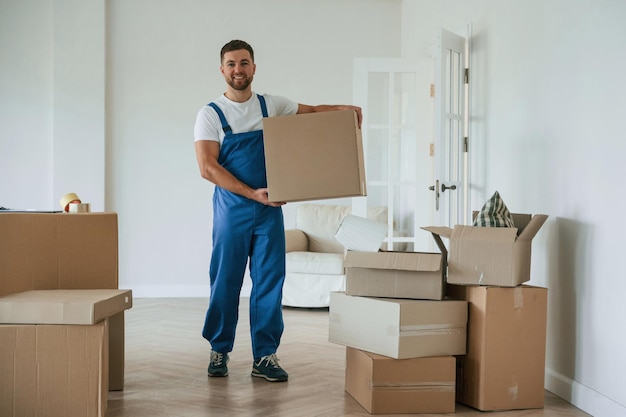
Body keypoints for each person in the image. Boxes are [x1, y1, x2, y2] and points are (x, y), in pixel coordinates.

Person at [193, 39, 362, 383]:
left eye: (244, 63)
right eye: (231, 64)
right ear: (222, 70)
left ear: (254, 67)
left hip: (270, 208)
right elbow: (208, 168)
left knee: (270, 282)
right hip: (233, 210)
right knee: (226, 281)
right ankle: (219, 350)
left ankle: (265, 356)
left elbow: (312, 113)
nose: (237, 69)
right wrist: (252, 194)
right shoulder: (210, 114)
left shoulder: (271, 105)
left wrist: (345, 110)